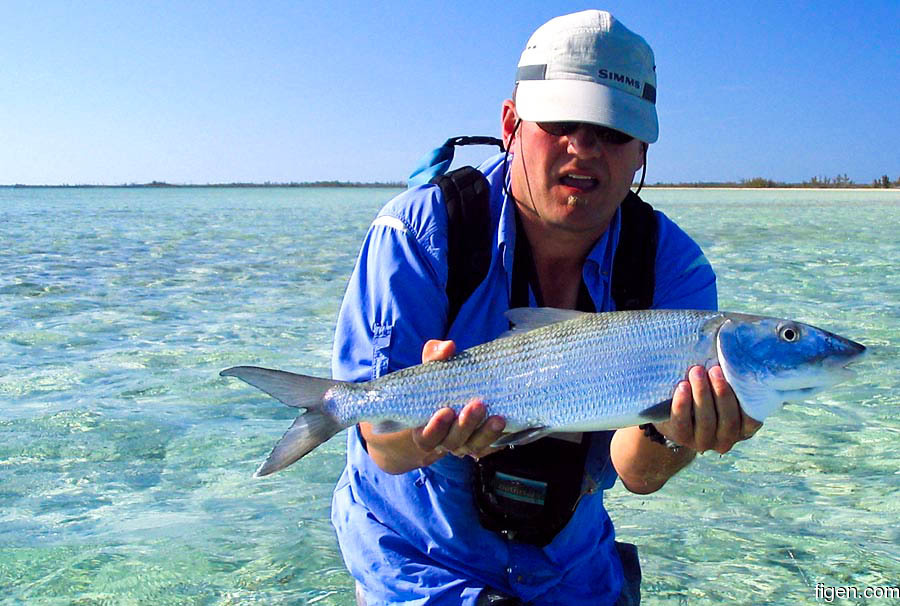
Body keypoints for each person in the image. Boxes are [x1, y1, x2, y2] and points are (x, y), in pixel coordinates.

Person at [330, 10, 761, 605]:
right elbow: (383, 444)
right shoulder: (419, 234)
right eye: (560, 121)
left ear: (640, 153)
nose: (583, 148)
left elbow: (636, 473)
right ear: (510, 123)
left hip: (570, 570)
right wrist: (435, 435)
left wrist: (675, 435)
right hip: (419, 568)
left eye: (613, 132)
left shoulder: (674, 268)